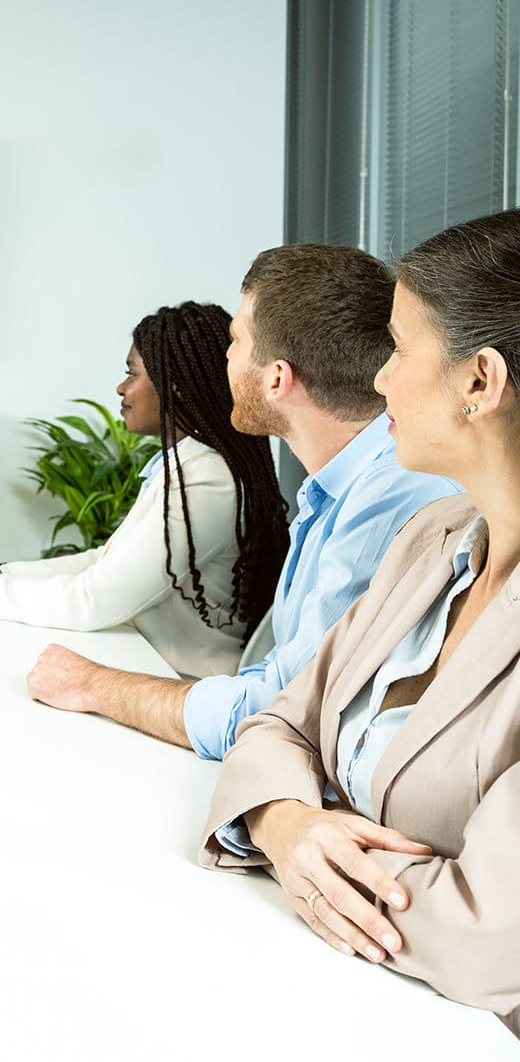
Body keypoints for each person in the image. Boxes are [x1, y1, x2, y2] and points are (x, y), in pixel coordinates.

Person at [199, 209, 520, 1035]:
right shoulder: (434, 537)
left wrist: (313, 861)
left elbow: (493, 941)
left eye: (400, 349)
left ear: (478, 381)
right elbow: (277, 720)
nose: (377, 380)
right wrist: (287, 823)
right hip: (338, 994)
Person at [21, 245, 460, 758]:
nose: (224, 358)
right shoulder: (336, 490)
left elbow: (284, 712)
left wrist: (95, 685)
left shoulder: (391, 494)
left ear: (277, 377)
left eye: (234, 341)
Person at [0, 302, 288, 679]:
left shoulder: (206, 479)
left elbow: (94, 599)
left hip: (182, 684)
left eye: (132, 373)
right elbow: (104, 561)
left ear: (176, 386)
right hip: (154, 666)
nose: (120, 388)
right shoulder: (191, 465)